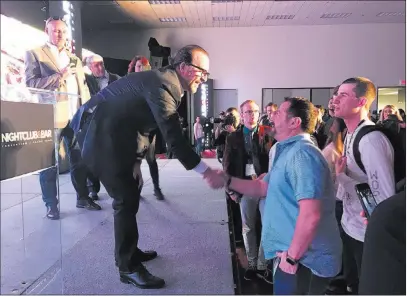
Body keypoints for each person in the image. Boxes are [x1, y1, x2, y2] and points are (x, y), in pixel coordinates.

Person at [70, 45, 225, 289]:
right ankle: (127, 267)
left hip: (119, 141)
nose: (204, 77)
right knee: (125, 200)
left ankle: (129, 251)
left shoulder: (167, 80)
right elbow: (173, 137)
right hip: (102, 141)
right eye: (201, 71)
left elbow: (146, 122)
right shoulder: (164, 84)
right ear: (184, 67)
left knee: (132, 192)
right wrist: (206, 171)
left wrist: (139, 158)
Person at [225, 97, 342, 294]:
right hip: (291, 254)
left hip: (304, 260)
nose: (271, 116)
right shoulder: (285, 150)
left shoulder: (303, 155)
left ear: (294, 122)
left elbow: (311, 214)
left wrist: (292, 257)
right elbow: (262, 188)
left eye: (279, 112)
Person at [24, 16, 100, 220]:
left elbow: (82, 87)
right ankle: (51, 205)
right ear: (46, 30)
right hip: (51, 116)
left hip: (75, 116)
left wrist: (87, 110)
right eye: (55, 30)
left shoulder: (74, 58)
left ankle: (82, 198)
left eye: (63, 31)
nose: (60, 35)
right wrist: (60, 76)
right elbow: (31, 83)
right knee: (48, 164)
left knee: (79, 160)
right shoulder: (35, 53)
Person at [128, 55, 164, 200]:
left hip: (150, 129)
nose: (141, 68)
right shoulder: (129, 84)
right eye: (138, 66)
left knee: (151, 160)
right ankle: (138, 187)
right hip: (134, 129)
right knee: (135, 161)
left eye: (144, 66)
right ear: (134, 68)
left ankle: (156, 187)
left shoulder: (153, 84)